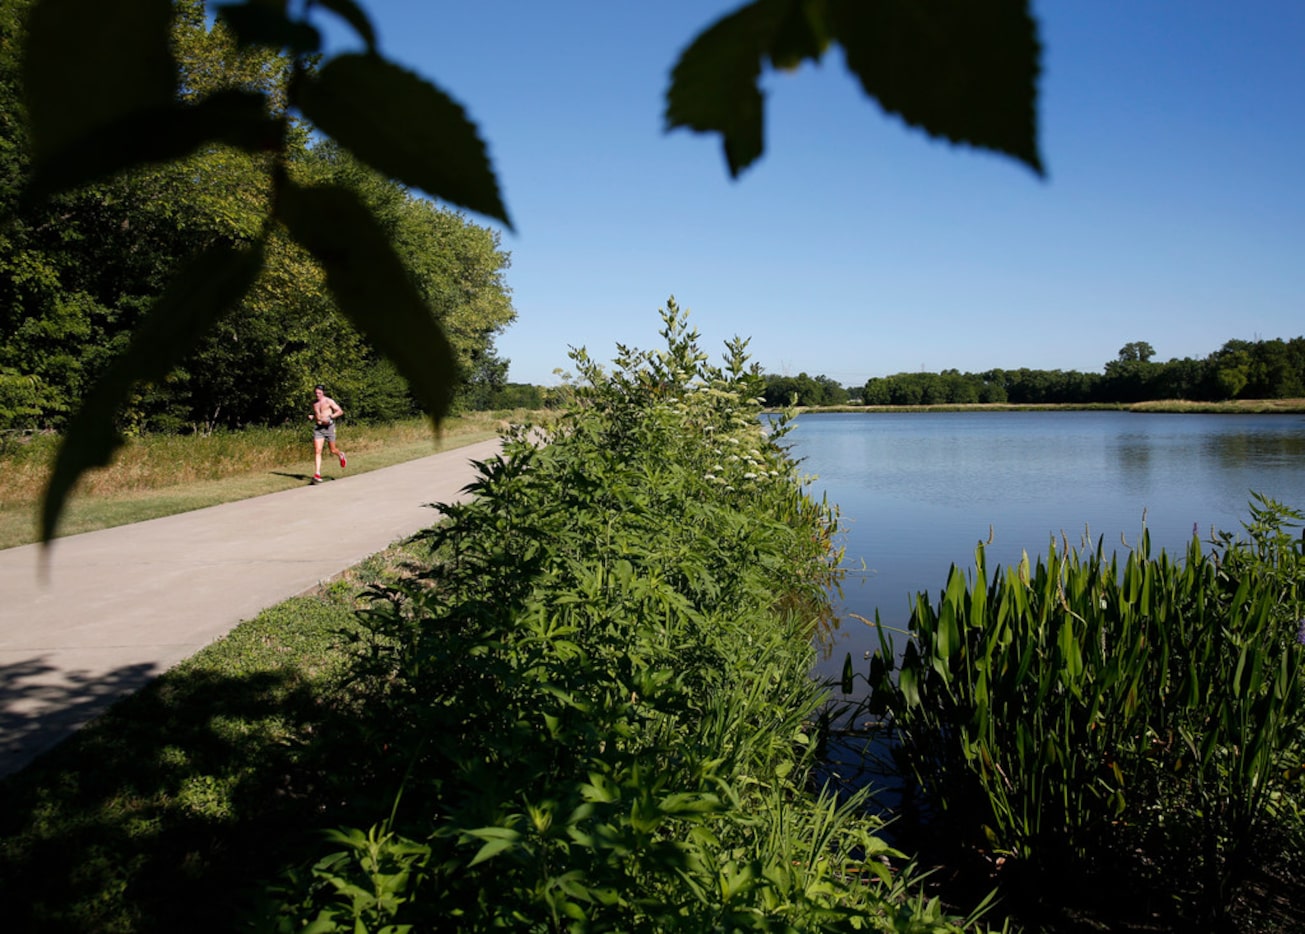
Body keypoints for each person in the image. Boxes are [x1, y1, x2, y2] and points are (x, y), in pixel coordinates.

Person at [310, 384, 346, 483]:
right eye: (316, 393)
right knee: (318, 450)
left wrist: (330, 417)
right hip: (319, 428)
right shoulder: (314, 403)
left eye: (319, 393)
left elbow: (340, 411)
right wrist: (312, 417)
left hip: (329, 427)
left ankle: (340, 455)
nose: (317, 395)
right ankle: (317, 474)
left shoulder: (328, 401)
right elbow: (318, 415)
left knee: (333, 450)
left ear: (323, 393)